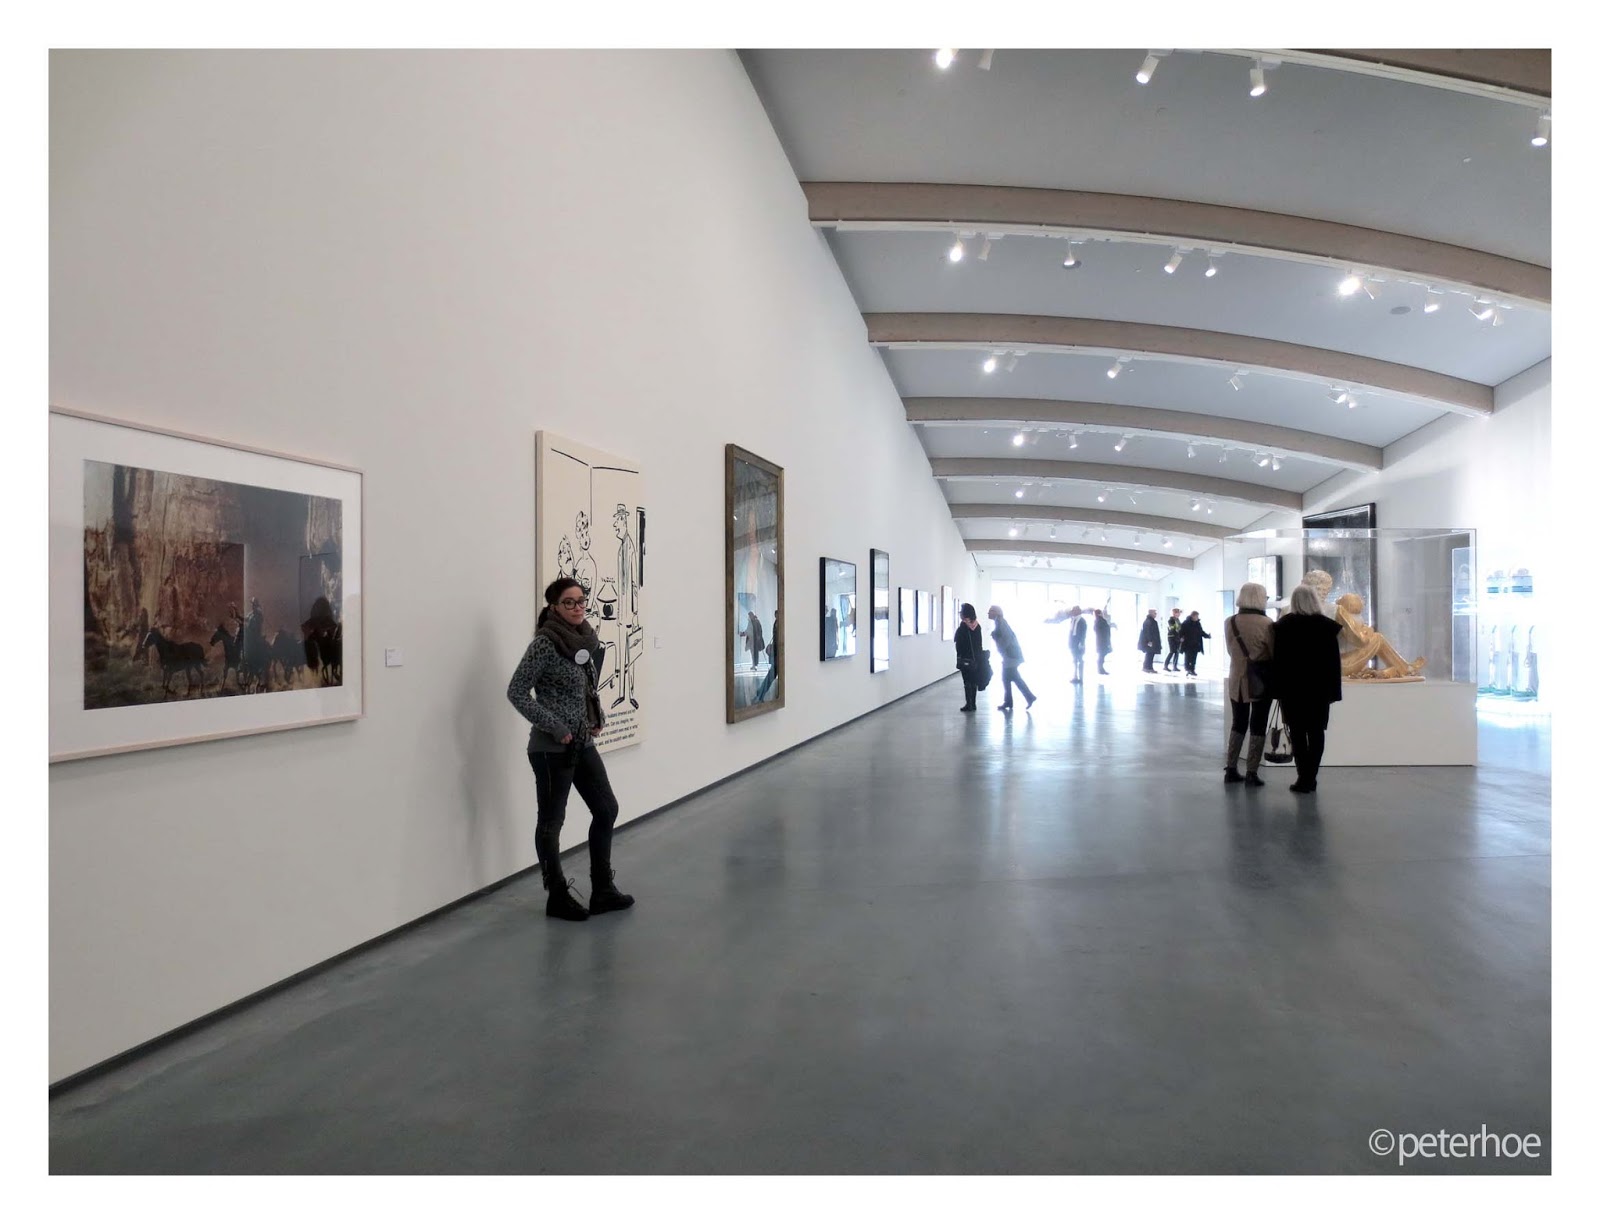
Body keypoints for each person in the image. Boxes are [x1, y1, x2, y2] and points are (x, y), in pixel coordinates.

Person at [506, 576, 634, 922]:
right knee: (552, 822)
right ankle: (557, 895)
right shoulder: (545, 644)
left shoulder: (584, 640)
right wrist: (555, 725)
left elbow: (586, 688)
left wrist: (596, 716)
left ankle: (602, 889)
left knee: (606, 809)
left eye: (581, 601)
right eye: (569, 602)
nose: (578, 607)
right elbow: (516, 691)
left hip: (582, 741)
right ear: (554, 607)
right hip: (551, 748)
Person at [1271, 583, 1344, 793]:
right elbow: (1334, 664)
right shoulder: (1327, 627)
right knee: (1316, 733)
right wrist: (1334, 692)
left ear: (1294, 602)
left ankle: (1304, 777)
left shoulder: (1284, 626)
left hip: (1292, 691)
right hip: (1319, 691)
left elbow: (1279, 662)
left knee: (1297, 734)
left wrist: (1277, 690)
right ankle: (1310, 777)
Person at [1223, 582, 1275, 786]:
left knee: (1238, 723)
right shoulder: (1267, 624)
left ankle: (1231, 768)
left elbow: (1230, 650)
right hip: (1260, 679)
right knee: (1258, 724)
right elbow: (1272, 653)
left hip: (1237, 679)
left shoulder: (1230, 622)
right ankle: (1252, 772)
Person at [988, 604, 1036, 711]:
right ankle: (1021, 699)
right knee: (1010, 678)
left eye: (991, 611)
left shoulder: (1001, 622)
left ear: (996, 612)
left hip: (1011, 656)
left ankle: (1021, 699)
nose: (989, 613)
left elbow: (1006, 639)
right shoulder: (999, 622)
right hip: (1011, 656)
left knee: (1009, 678)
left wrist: (1001, 648)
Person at [953, 602, 983, 712]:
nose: (960, 614)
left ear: (965, 613)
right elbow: (979, 644)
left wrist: (959, 656)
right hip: (975, 658)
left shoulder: (963, 626)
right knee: (973, 681)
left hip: (965, 658)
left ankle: (969, 703)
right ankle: (973, 703)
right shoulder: (977, 626)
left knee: (967, 681)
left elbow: (959, 643)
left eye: (961, 612)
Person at [754, 612, 780, 702]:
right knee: (771, 676)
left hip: (776, 654)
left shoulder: (776, 623)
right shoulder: (777, 624)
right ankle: (760, 694)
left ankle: (760, 692)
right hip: (777, 655)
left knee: (770, 676)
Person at [1178, 610, 1210, 677]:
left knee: (1194, 658)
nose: (1197, 617)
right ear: (1192, 616)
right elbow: (1181, 632)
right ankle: (1187, 669)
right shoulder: (1186, 623)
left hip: (1196, 643)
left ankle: (1192, 670)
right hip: (1187, 644)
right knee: (1188, 657)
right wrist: (1180, 638)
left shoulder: (1198, 623)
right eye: (1196, 616)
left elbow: (1201, 632)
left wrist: (1207, 636)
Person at [1068, 607, 1087, 684]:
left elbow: (1083, 633)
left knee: (1080, 660)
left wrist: (1081, 643)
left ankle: (1081, 678)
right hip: (1073, 643)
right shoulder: (1072, 620)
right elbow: (1071, 632)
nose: (1072, 612)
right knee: (1074, 660)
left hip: (1079, 643)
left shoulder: (1082, 621)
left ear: (1078, 612)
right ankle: (1075, 676)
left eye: (1074, 611)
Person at [1092, 608, 1113, 676]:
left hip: (1100, 641)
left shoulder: (1097, 621)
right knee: (1102, 655)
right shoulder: (1101, 621)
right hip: (1103, 641)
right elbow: (1106, 631)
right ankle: (1100, 669)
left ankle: (1100, 668)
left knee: (1101, 655)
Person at [1164, 607, 1183, 672]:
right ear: (1174, 613)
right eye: (1177, 613)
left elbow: (1180, 629)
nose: (1179, 614)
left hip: (1177, 637)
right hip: (1172, 637)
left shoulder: (1178, 620)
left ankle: (1175, 667)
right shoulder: (1171, 620)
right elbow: (1173, 629)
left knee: (1177, 652)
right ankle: (1165, 666)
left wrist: (1181, 637)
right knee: (1172, 651)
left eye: (1179, 613)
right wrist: (1178, 636)